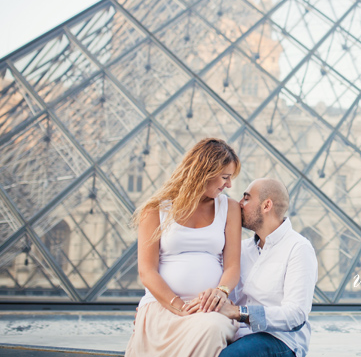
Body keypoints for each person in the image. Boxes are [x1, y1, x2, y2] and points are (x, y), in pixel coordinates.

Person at [125, 138, 242, 357]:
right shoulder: (154, 210)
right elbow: (147, 271)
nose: (229, 185)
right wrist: (179, 307)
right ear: (204, 171)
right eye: (225, 177)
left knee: (212, 327)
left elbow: (233, 265)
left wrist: (221, 292)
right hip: (162, 306)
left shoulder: (230, 208)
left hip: (210, 310)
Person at [203, 178, 318, 357]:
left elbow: (296, 315)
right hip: (236, 333)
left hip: (279, 339)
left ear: (266, 205)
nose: (239, 204)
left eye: (246, 198)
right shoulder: (241, 249)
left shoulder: (298, 248)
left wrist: (238, 312)